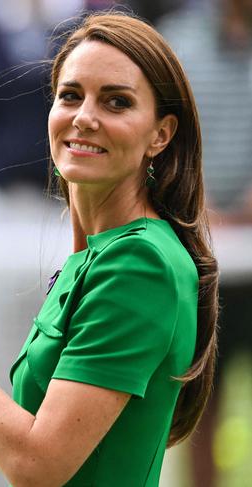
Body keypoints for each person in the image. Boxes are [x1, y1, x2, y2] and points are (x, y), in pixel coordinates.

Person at [0, 12, 219, 486]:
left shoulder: (140, 262)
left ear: (160, 134)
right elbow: (27, 451)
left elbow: (38, 467)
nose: (85, 117)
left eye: (116, 102)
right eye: (70, 96)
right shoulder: (94, 255)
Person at [157, 1, 252, 485]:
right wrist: (201, 205)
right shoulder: (179, 41)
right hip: (203, 258)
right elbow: (168, 138)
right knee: (197, 404)